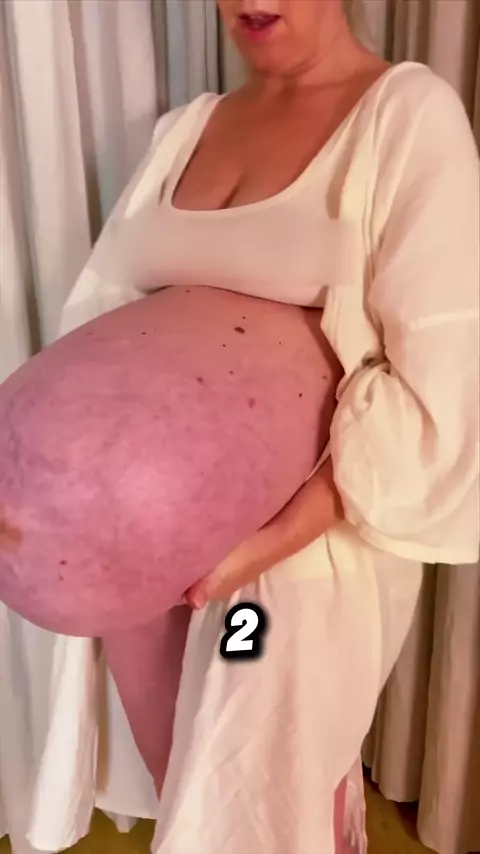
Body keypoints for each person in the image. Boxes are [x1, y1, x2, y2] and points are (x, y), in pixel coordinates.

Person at [58, 0, 480, 852]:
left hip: (289, 565)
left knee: (254, 795)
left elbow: (442, 381)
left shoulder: (405, 118)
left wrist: (259, 548)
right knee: (184, 775)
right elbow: (103, 322)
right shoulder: (183, 131)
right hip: (145, 556)